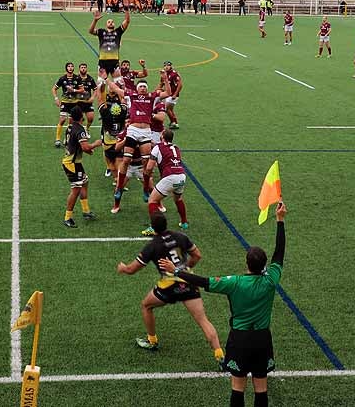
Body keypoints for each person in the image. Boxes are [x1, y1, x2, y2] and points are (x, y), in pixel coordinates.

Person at [160, 201, 287, 407]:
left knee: (237, 387)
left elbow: (202, 281)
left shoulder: (234, 283)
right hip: (262, 339)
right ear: (264, 265)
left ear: (246, 263)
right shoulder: (270, 280)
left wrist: (175, 271)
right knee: (261, 388)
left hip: (240, 339)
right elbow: (279, 253)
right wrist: (280, 221)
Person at [116, 213, 224, 365]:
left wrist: (123, 268)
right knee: (202, 320)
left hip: (169, 286)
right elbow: (197, 255)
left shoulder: (152, 245)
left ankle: (152, 341)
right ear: (166, 224)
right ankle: (220, 356)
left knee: (146, 306)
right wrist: (185, 269)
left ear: (153, 228)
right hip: (187, 281)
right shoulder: (180, 236)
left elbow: (133, 269)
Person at [62, 106, 102, 228]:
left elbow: (73, 144)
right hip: (72, 164)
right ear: (82, 116)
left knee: (84, 182)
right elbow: (84, 147)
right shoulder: (80, 129)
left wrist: (87, 150)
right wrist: (95, 144)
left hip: (73, 162)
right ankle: (68, 217)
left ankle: (86, 211)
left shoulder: (70, 127)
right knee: (76, 190)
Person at [142, 128, 188, 233]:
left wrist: (145, 183)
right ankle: (184, 222)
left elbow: (149, 168)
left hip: (170, 176)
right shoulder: (176, 147)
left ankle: (154, 228)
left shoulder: (158, 147)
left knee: (152, 201)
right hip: (181, 176)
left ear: (162, 136)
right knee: (178, 199)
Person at [89, 9, 130, 78]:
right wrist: (95, 20)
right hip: (102, 61)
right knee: (101, 83)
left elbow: (127, 21)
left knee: (118, 83)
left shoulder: (118, 31)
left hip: (114, 61)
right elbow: (91, 31)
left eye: (112, 22)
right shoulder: (101, 32)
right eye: (109, 22)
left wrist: (126, 9)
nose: (111, 23)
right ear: (106, 25)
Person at [52, 62, 82, 148]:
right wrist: (56, 99)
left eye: (72, 66)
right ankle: (57, 139)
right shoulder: (62, 79)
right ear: (66, 68)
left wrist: (74, 91)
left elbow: (82, 89)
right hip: (65, 103)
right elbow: (54, 89)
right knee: (62, 120)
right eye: (69, 66)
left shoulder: (77, 78)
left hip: (74, 103)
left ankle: (67, 139)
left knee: (71, 123)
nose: (70, 68)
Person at [160, 60, 183, 129]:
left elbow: (180, 85)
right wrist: (157, 90)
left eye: (168, 65)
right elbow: (161, 84)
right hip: (168, 95)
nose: (166, 67)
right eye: (165, 66)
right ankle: (174, 122)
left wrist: (175, 94)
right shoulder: (164, 74)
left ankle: (174, 122)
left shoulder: (174, 74)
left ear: (171, 66)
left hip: (173, 95)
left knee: (166, 109)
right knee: (170, 109)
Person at [77, 62, 98, 130]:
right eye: (82, 67)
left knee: (90, 118)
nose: (83, 69)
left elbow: (95, 89)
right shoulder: (76, 78)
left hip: (88, 102)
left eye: (84, 67)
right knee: (79, 119)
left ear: (86, 69)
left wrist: (92, 97)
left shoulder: (90, 79)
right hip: (78, 102)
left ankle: (87, 129)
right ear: (79, 69)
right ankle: (80, 131)